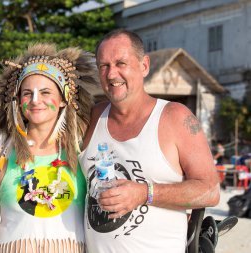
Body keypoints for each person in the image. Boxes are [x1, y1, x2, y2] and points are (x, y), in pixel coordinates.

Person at [78, 29, 220, 252]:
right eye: (104, 66)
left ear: (144, 65)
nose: (111, 74)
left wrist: (144, 193)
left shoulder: (175, 117)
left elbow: (210, 191)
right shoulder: (91, 118)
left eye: (121, 63)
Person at [0, 43, 98, 252]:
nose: (36, 100)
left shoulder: (82, 149)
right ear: (18, 101)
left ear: (64, 99)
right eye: (27, 93)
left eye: (46, 92)